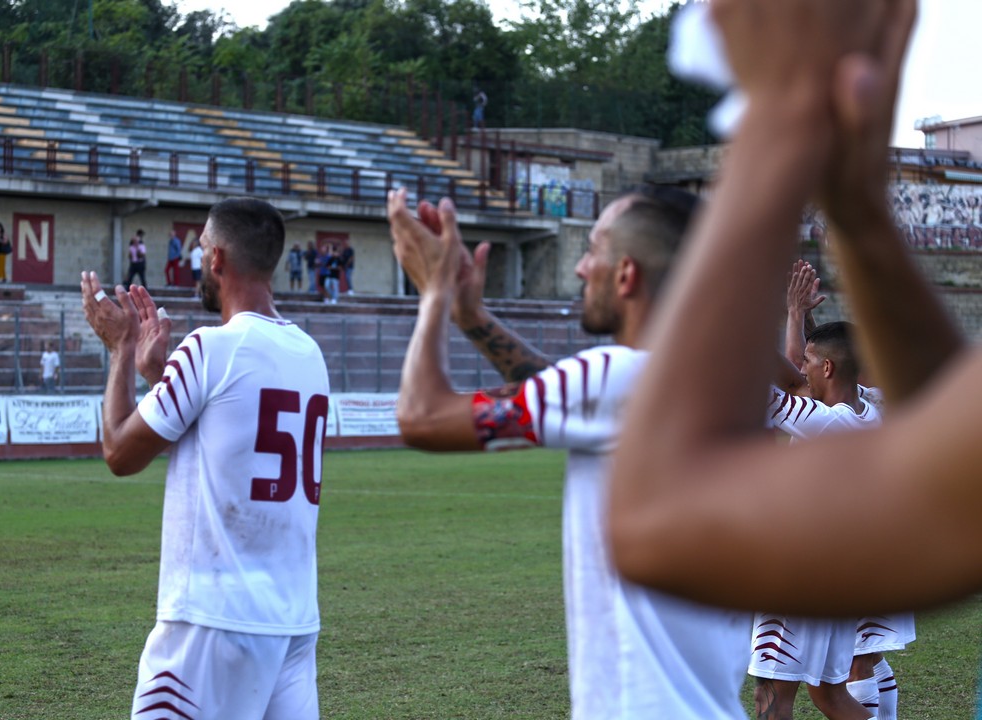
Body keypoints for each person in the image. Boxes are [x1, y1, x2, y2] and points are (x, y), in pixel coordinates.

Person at [603, 0, 980, 618]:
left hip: (823, 556)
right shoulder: (869, 411)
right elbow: (952, 428)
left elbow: (653, 522)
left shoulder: (832, 423)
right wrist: (855, 209)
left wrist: (781, 115)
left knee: (820, 693)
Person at [386, 185, 752, 719]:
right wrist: (472, 317)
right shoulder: (717, 384)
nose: (581, 268)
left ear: (626, 274)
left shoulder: (620, 378)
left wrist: (434, 292)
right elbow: (569, 390)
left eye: (593, 249)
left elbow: (420, 417)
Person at [80, 197, 329, 720]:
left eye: (201, 250)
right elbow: (227, 431)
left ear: (217, 259)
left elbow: (119, 452)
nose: (198, 261)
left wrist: (122, 350)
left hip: (213, 623)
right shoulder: (310, 354)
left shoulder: (210, 348)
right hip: (292, 624)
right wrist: (158, 376)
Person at [749, 322, 879, 720]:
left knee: (772, 699)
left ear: (827, 368)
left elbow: (764, 391)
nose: (800, 368)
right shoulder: (870, 411)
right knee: (831, 697)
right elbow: (790, 384)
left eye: (807, 360)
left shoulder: (828, 424)